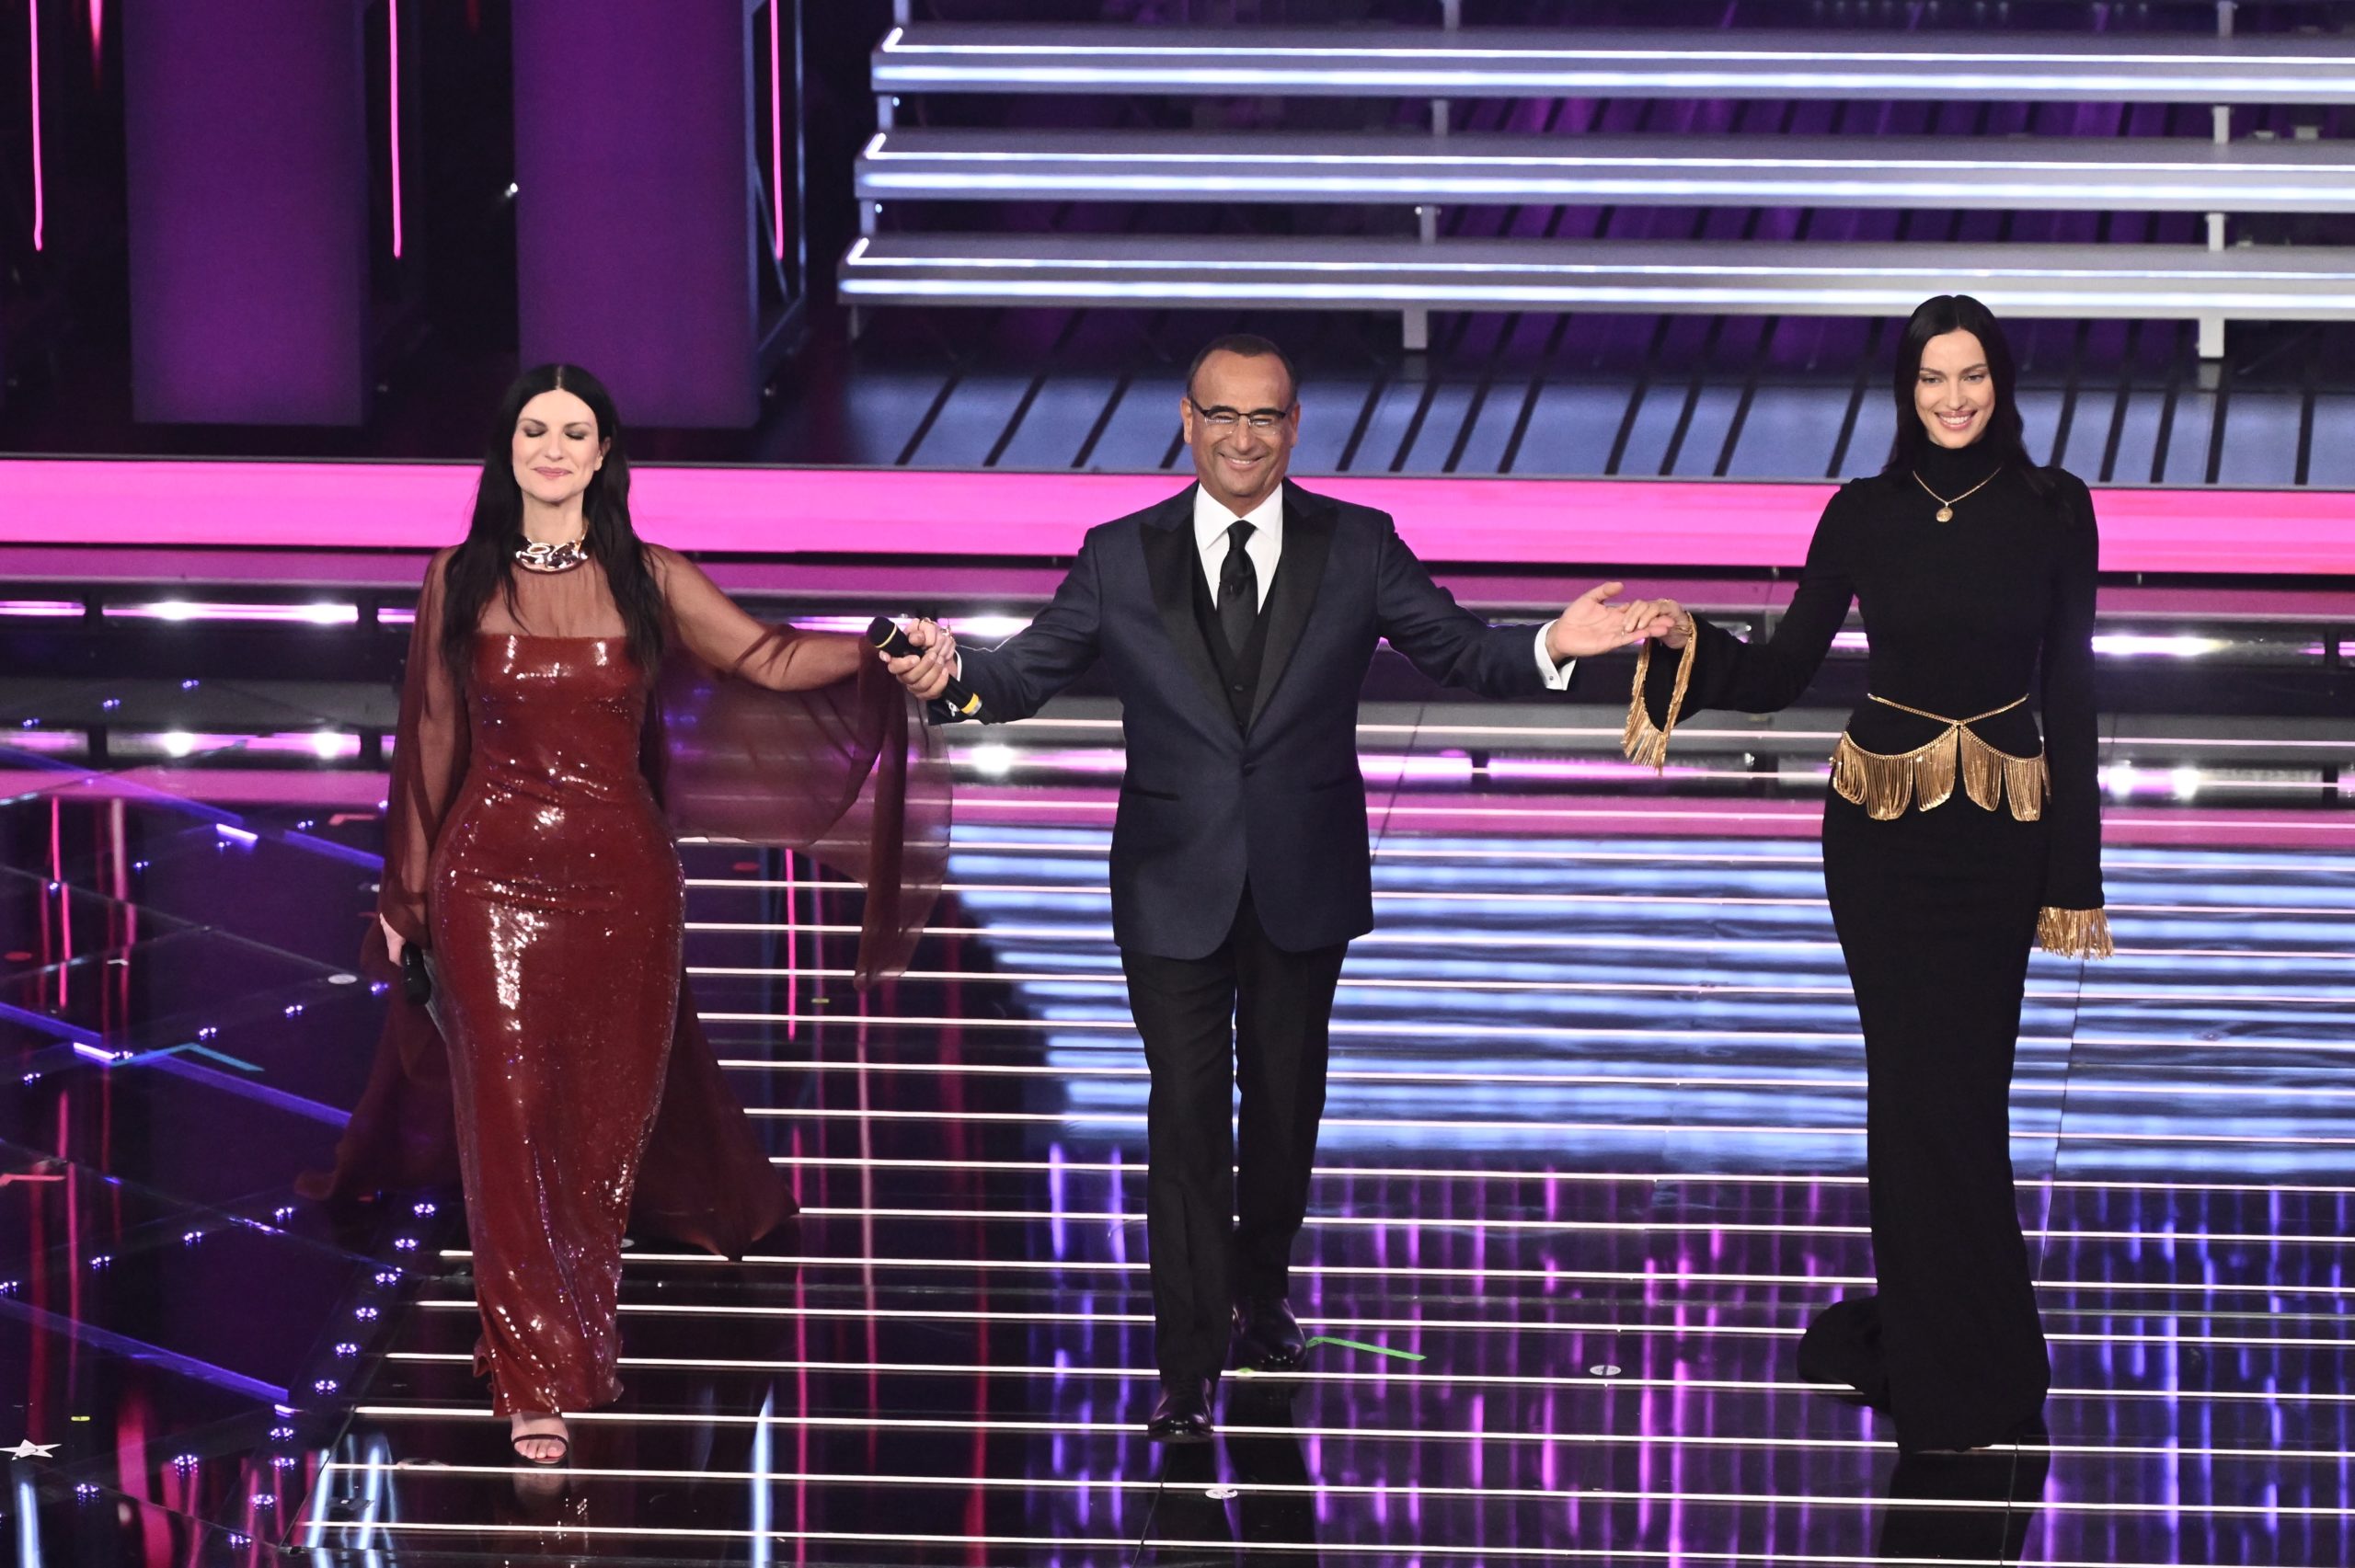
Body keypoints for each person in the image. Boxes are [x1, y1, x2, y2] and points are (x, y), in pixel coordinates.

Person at [883, 334, 1667, 1442]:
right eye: (1223, 416)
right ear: (1187, 423)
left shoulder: (1358, 544)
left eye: (1265, 417)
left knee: (1284, 1109)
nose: (1243, 438)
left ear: (1294, 428)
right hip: (1171, 882)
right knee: (1185, 1119)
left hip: (1303, 874)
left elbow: (1458, 651)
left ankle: (1261, 1291)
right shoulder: (1119, 555)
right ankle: (1186, 1366)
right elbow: (1016, 678)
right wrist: (947, 672)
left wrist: (1554, 641)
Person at [346, 363, 947, 1467]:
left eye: (575, 432)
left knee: (595, 1128)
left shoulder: (649, 575)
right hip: (489, 884)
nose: (553, 449)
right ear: (508, 447)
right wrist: (408, 894)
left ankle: (564, 1322)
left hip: (623, 887)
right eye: (535, 429)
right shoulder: (457, 576)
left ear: (605, 452)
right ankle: (535, 1370)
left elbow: (765, 655)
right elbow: (430, 733)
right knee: (510, 1120)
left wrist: (874, 645)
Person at [1617, 294, 2110, 1454]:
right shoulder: (1862, 512)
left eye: (1971, 375)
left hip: (1999, 838)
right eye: (1932, 378)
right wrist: (1686, 649)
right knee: (1910, 1098)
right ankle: (1946, 1371)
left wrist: (2073, 875)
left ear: (2000, 382)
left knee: (1966, 1100)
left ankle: (1986, 1352)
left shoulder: (2055, 508)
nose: (1953, 398)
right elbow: (1784, 670)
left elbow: (2073, 693)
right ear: (1905, 389)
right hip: (1880, 841)